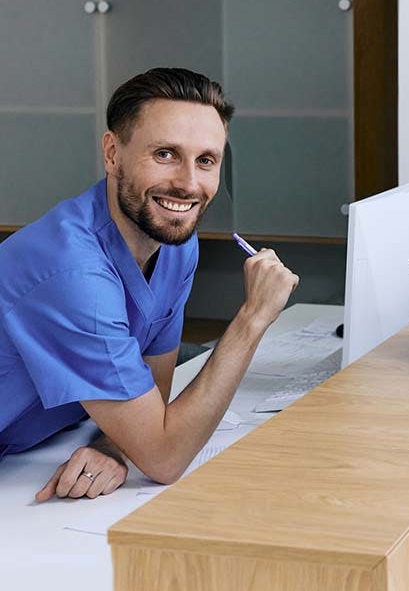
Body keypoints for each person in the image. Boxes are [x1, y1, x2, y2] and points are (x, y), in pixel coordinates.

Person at [0, 68, 299, 501]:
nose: (189, 184)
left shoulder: (173, 242)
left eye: (206, 160)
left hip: (29, 459)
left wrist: (112, 444)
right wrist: (252, 318)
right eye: (164, 154)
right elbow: (163, 457)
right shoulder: (72, 272)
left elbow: (151, 403)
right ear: (112, 153)